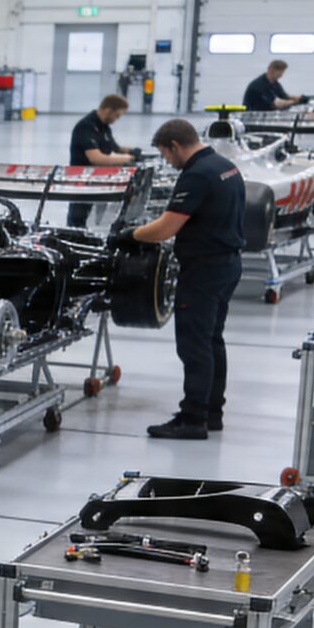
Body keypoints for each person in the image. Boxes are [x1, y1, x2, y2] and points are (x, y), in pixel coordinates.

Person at [117, 118, 246, 440]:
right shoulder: (225, 166)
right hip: (228, 264)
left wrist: (130, 235)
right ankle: (212, 413)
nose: (167, 161)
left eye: (165, 154)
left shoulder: (197, 174)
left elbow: (165, 228)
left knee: (194, 346)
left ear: (175, 146)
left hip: (204, 271)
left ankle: (192, 418)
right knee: (212, 341)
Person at [65, 94, 141, 228]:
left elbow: (114, 148)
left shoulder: (103, 127)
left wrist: (132, 151)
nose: (117, 119)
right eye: (117, 115)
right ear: (108, 110)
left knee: (94, 219)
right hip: (83, 181)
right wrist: (128, 159)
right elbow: (96, 158)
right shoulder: (86, 127)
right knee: (79, 220)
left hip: (97, 180)